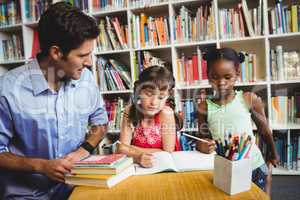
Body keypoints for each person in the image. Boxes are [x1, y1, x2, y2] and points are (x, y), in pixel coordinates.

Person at [0, 2, 108, 199]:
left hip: (77, 188)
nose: (90, 62)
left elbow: (100, 124)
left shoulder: (86, 78)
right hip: (27, 195)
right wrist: (41, 166)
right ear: (56, 52)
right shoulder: (7, 89)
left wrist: (83, 151)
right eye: (83, 55)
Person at [196, 48, 279, 192]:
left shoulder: (249, 99)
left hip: (254, 165)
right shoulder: (204, 107)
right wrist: (202, 146)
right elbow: (202, 139)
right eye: (215, 77)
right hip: (226, 169)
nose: (221, 82)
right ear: (208, 76)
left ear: (237, 74)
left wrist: (273, 152)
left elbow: (264, 130)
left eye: (227, 77)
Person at [118, 66, 182, 168]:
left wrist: (131, 149)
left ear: (168, 96)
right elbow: (121, 148)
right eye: (148, 94)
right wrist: (137, 156)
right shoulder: (129, 111)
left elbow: (167, 152)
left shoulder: (166, 114)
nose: (154, 103)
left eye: (161, 97)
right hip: (137, 166)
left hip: (163, 166)